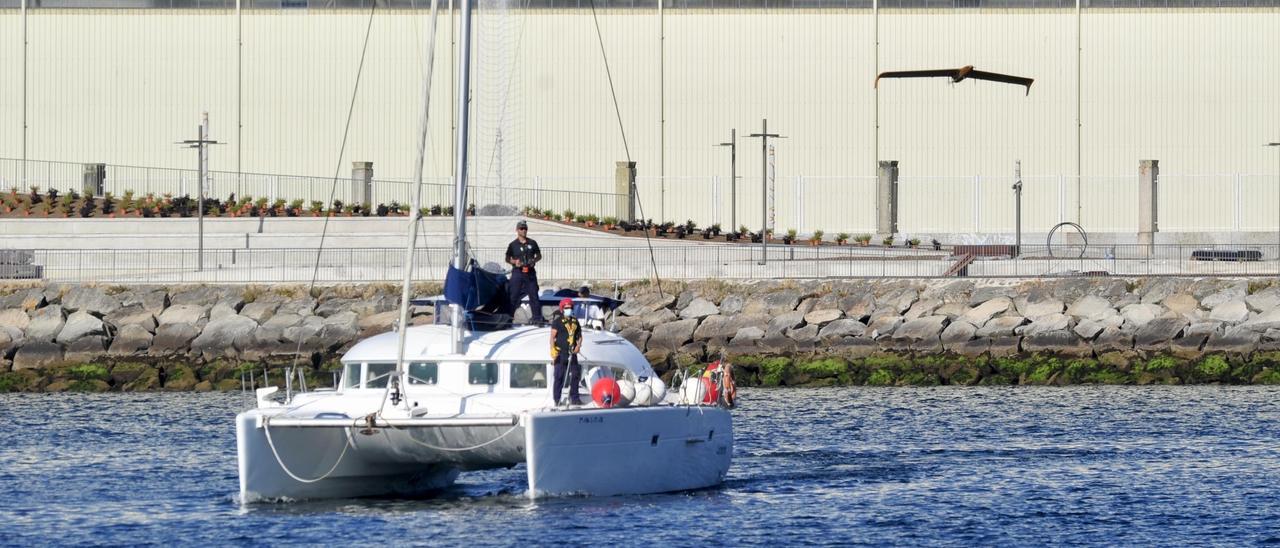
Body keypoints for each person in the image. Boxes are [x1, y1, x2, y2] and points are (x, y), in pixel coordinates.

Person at [506, 220, 543, 323]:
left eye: (525, 228)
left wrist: (534, 260)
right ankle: (508, 319)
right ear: (517, 230)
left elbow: (539, 256)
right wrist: (514, 261)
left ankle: (537, 318)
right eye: (521, 228)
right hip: (518, 272)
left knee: (534, 295)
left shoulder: (532, 242)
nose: (524, 230)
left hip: (530, 272)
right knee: (513, 295)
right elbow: (507, 258)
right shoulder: (513, 245)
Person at [549, 298, 582, 406]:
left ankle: (575, 398)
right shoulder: (557, 321)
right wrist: (553, 349)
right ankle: (557, 399)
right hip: (560, 353)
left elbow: (579, 336)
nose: (569, 309)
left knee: (575, 375)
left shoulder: (575, 321)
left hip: (572, 353)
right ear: (562, 309)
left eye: (571, 308)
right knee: (559, 376)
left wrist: (578, 346)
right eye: (567, 308)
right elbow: (552, 337)